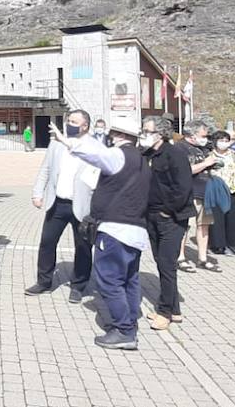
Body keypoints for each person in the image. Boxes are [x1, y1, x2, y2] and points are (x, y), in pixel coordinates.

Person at [53, 122, 149, 350]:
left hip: (115, 228)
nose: (110, 137)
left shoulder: (118, 155)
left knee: (109, 280)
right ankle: (130, 321)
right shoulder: (142, 160)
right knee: (130, 279)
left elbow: (96, 156)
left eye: (112, 133)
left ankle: (124, 330)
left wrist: (67, 142)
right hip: (136, 228)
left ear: (119, 135)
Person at [27, 110, 98, 302]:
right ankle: (44, 282)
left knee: (83, 247)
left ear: (85, 126)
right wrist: (37, 192)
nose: (69, 124)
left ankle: (78, 286)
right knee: (47, 243)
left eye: (74, 121)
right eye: (69, 120)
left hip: (82, 206)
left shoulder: (93, 146)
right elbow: (46, 169)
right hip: (57, 203)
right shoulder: (57, 143)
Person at [141, 116, 196, 330]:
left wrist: (167, 211)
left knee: (166, 264)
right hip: (150, 216)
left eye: (148, 131)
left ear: (160, 134)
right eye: (143, 130)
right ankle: (175, 309)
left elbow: (182, 188)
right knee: (161, 262)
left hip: (171, 218)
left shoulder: (175, 154)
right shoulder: (147, 154)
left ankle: (164, 312)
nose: (144, 134)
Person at [178, 120, 220, 273]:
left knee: (204, 225)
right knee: (183, 226)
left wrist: (213, 164)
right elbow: (185, 170)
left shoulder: (203, 148)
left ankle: (202, 258)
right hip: (188, 192)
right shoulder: (180, 148)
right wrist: (206, 163)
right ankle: (180, 257)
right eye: (203, 135)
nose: (206, 138)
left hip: (205, 191)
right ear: (192, 134)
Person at [207, 130, 235, 255]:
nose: (224, 143)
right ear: (215, 142)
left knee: (233, 219)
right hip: (216, 193)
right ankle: (217, 245)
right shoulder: (210, 156)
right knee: (216, 220)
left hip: (234, 191)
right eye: (221, 141)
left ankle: (231, 244)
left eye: (227, 141)